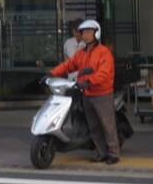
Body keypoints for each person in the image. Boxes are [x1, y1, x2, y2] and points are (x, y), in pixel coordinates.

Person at [49, 19, 119, 165]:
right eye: (83, 32)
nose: (85, 35)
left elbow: (104, 73)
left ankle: (114, 154)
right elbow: (69, 65)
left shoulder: (104, 53)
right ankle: (101, 153)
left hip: (102, 94)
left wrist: (89, 81)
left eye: (88, 32)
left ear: (96, 33)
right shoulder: (81, 53)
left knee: (108, 125)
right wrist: (52, 73)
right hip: (87, 94)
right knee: (93, 127)